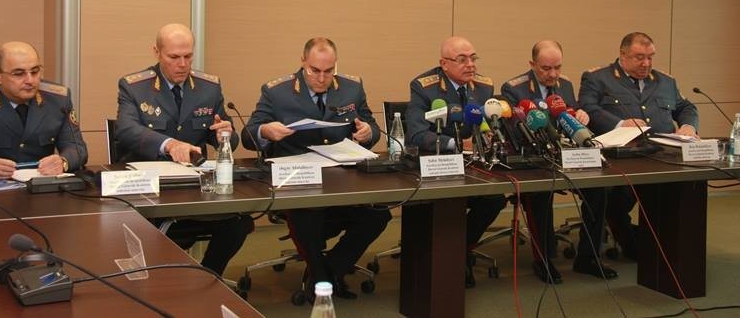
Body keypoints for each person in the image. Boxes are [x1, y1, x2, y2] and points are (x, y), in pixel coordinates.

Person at [243, 37, 391, 299]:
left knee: (378, 215)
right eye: (315, 71)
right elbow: (248, 134)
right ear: (303, 62)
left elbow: (371, 125)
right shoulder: (277, 92)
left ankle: (330, 271)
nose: (322, 78)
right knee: (308, 214)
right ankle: (322, 280)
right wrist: (265, 131)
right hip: (300, 183)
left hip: (344, 180)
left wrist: (369, 132)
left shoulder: (352, 88)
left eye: (328, 71)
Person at [115, 23, 253, 274]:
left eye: (188, 56)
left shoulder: (209, 87)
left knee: (240, 221)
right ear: (157, 52)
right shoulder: (134, 86)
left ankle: (209, 277)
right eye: (174, 57)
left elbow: (227, 140)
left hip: (195, 187)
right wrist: (169, 144)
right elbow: (125, 129)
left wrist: (225, 135)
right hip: (151, 188)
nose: (182, 64)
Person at [501, 40, 616, 282]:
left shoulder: (566, 85)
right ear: (532, 64)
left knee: (599, 189)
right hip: (534, 159)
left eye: (558, 67)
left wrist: (580, 114)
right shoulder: (514, 88)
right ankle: (543, 260)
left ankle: (589, 257)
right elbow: (515, 131)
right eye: (546, 68)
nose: (553, 74)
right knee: (541, 193)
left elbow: (569, 115)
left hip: (566, 156)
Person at [579, 31, 699, 259]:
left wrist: (688, 126)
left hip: (662, 158)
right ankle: (633, 246)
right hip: (620, 160)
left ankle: (669, 247)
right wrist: (621, 124)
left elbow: (687, 108)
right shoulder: (598, 78)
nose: (646, 63)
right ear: (623, 55)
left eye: (650, 57)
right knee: (615, 200)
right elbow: (587, 108)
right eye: (639, 57)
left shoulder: (666, 81)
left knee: (679, 194)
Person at [405, 36, 507, 288]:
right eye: (462, 59)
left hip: (472, 167)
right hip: (437, 165)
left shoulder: (483, 87)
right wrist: (456, 144)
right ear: (444, 63)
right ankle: (451, 257)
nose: (470, 64)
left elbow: (484, 124)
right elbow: (416, 134)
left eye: (473, 58)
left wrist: (488, 136)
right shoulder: (424, 87)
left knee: (494, 198)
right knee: (448, 202)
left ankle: (460, 249)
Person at [0, 42, 87, 180]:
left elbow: (77, 148)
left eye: (35, 71)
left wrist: (62, 162)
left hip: (42, 185)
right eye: (19, 74)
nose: (30, 80)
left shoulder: (58, 100)